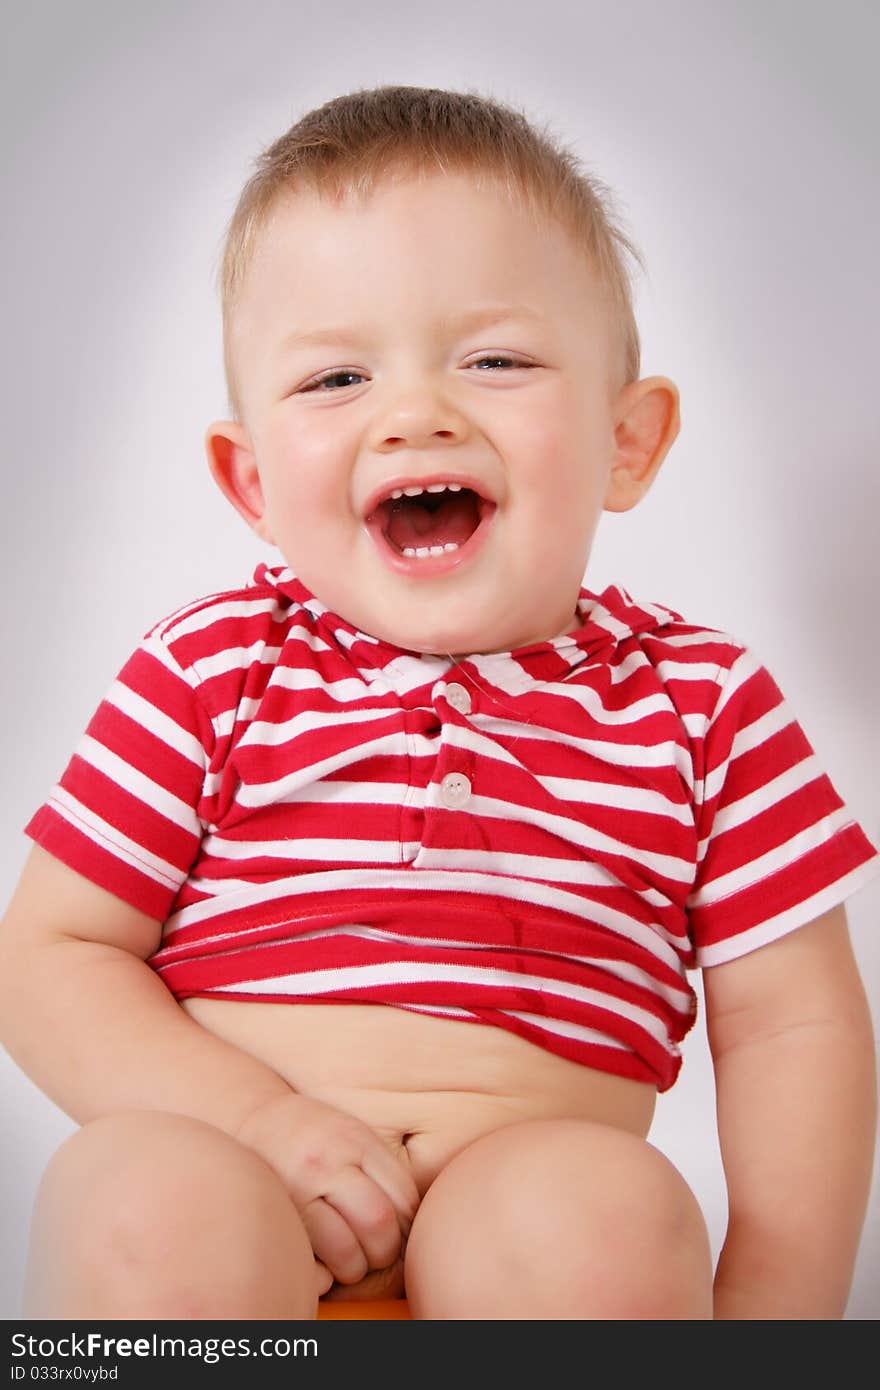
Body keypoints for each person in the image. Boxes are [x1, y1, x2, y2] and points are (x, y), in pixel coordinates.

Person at [1, 84, 877, 1321]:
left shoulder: (701, 703)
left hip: (532, 1266)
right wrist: (259, 1119)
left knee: (602, 1214)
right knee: (134, 1190)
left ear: (628, 440)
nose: (416, 413)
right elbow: (50, 953)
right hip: (243, 1204)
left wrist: (778, 1319)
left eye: (495, 360)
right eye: (337, 377)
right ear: (251, 480)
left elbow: (797, 1032)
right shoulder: (210, 667)